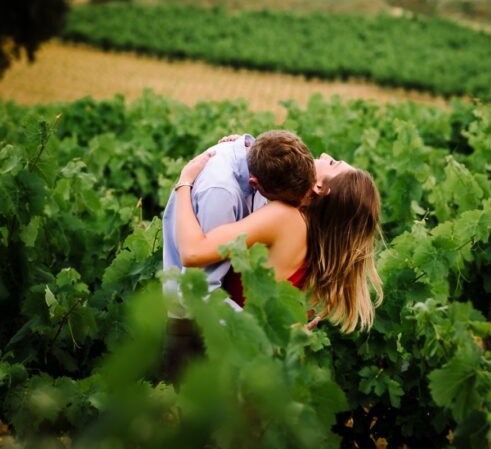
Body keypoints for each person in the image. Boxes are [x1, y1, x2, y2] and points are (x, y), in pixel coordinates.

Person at [174, 145, 384, 335]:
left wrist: (184, 184)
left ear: (320, 188)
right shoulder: (314, 245)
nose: (324, 155)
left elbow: (193, 252)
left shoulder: (285, 218)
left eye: (332, 163)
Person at [161, 130, 316, 381]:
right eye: (280, 204)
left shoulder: (254, 154)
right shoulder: (222, 193)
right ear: (256, 184)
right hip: (195, 330)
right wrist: (267, 334)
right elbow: (200, 291)